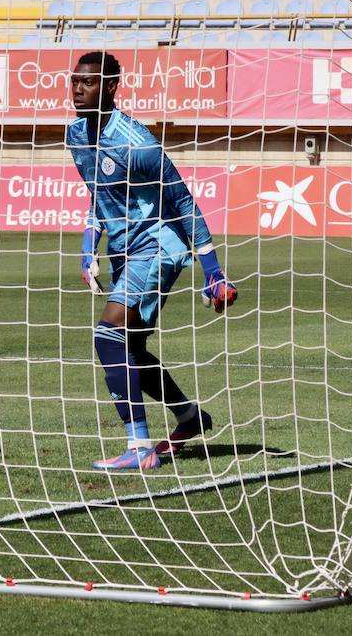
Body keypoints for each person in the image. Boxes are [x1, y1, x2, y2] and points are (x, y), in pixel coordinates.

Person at [66, 52, 237, 472]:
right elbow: (99, 192)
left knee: (109, 337)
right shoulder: (75, 135)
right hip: (123, 250)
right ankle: (189, 417)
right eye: (73, 81)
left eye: (87, 82)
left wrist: (212, 270)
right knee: (134, 349)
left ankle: (139, 445)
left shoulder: (138, 143)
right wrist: (91, 242)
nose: (77, 88)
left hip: (159, 245)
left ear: (110, 87)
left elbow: (182, 201)